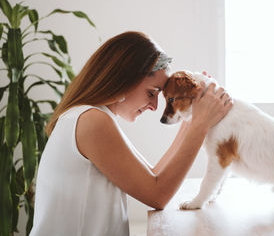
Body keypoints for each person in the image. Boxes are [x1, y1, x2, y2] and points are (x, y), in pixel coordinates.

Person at [29, 31, 233, 236]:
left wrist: (189, 119)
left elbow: (152, 176)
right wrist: (201, 124)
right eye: (152, 93)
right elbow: (158, 195)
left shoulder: (89, 116)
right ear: (124, 79)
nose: (154, 106)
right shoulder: (91, 121)